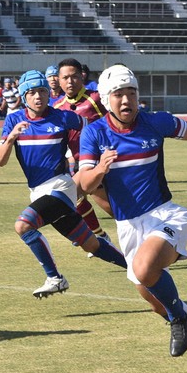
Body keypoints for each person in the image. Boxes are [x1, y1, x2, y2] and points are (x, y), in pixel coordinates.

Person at [77, 64, 187, 368]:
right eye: (118, 94)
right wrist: (100, 168)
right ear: (105, 99)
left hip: (165, 215)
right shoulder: (94, 133)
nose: (126, 100)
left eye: (132, 93)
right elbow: (86, 185)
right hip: (128, 225)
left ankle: (178, 319)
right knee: (155, 302)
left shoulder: (156, 122)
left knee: (145, 270)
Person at [0, 70, 127, 299]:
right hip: (38, 192)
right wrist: (12, 137)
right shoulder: (13, 120)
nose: (38, 97)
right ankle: (135, 267)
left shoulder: (63, 117)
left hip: (61, 187)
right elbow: (0, 160)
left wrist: (99, 153)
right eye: (32, 92)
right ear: (24, 96)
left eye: (42, 91)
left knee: (23, 226)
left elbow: (96, 127)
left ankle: (54, 278)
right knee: (91, 245)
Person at [53, 58, 113, 245]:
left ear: (82, 76)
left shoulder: (96, 99)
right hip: (80, 163)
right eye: (65, 78)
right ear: (59, 80)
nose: (70, 81)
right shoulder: (58, 107)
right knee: (72, 194)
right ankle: (99, 236)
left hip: (104, 160)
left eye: (74, 76)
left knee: (118, 212)